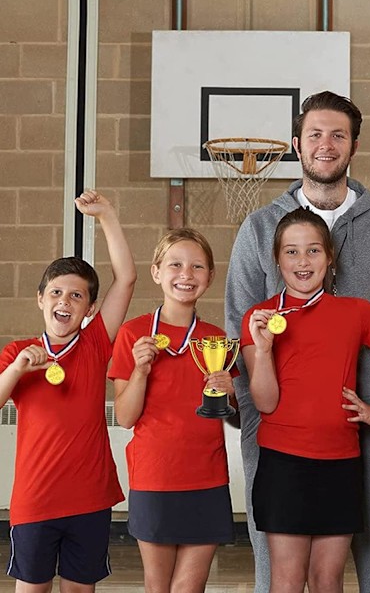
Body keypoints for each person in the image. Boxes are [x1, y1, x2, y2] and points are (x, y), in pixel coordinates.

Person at [225, 90, 370, 592]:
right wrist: (251, 413)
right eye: (315, 134)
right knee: (281, 571)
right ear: (297, 144)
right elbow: (238, 332)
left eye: (339, 135)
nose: (326, 144)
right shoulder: (260, 226)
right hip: (282, 432)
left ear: (354, 145)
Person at [240, 208, 370, 592]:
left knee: (327, 579)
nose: (303, 261)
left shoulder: (357, 311)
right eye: (291, 252)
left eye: (313, 250)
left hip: (340, 463)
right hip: (283, 465)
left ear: (330, 257)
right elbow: (265, 403)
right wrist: (263, 351)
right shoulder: (259, 318)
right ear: (276, 259)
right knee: (287, 579)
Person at [0, 190, 136, 593]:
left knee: (80, 589)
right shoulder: (18, 352)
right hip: (35, 499)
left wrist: (107, 216)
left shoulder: (95, 343)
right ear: (41, 299)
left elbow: (126, 278)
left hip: (89, 499)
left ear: (90, 309)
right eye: (56, 292)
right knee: (33, 588)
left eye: (77, 295)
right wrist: (17, 368)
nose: (65, 301)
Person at [109, 228, 236, 593]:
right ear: (156, 272)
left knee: (190, 587)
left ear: (210, 276)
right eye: (175, 264)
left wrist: (231, 396)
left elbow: (238, 419)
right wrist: (140, 371)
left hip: (207, 478)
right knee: (158, 586)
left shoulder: (217, 339)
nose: (186, 274)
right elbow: (125, 417)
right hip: (155, 477)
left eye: (197, 266)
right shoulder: (133, 334)